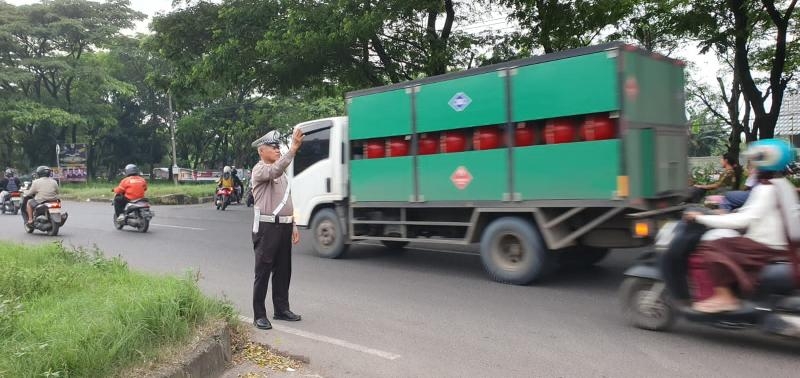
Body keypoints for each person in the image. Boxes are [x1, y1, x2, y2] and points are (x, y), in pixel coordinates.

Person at [684, 139, 799, 313]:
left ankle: (724, 297)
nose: (751, 165)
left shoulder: (766, 188)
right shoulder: (784, 185)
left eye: (754, 161)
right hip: (786, 247)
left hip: (764, 247)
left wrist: (702, 218)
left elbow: (743, 219)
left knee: (711, 247)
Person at [250, 128, 304, 330]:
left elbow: (287, 201)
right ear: (261, 151)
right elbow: (274, 170)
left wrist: (294, 224)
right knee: (263, 271)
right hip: (266, 228)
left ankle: (281, 309)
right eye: (273, 147)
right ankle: (259, 315)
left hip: (283, 227)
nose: (277, 150)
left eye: (278, 147)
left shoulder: (282, 175)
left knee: (283, 270)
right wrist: (293, 150)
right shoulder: (260, 169)